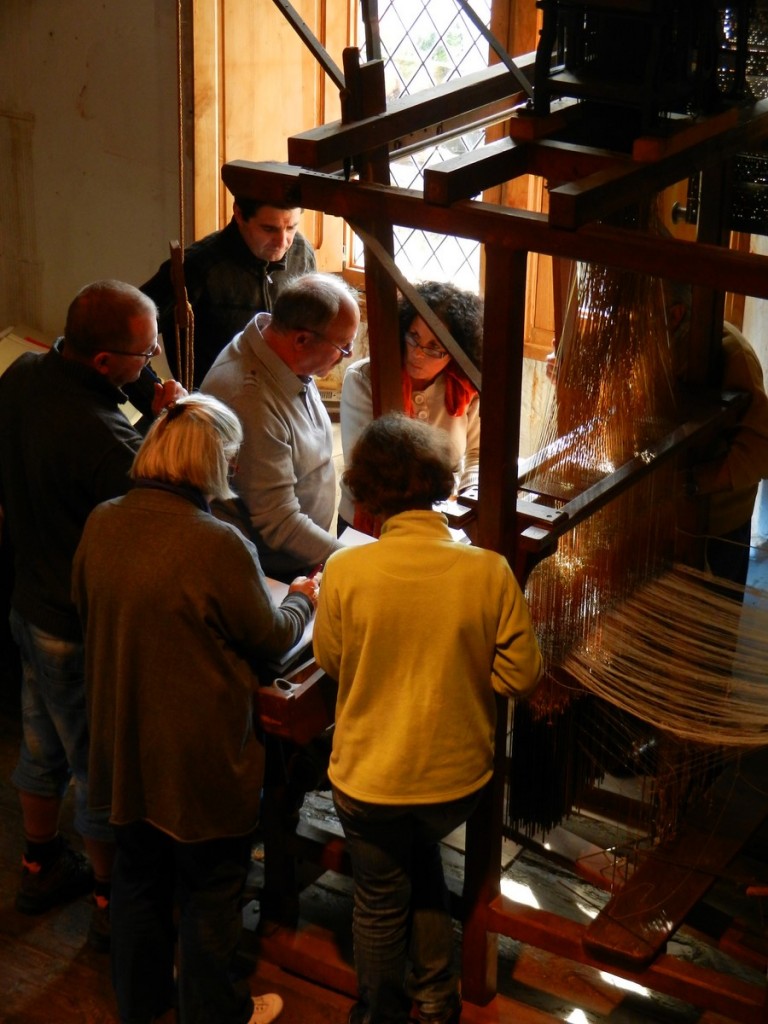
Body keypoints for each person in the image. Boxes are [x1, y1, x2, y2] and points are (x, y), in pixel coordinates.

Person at [71, 392, 318, 1024]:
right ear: (212, 462)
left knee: (137, 881)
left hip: (124, 742)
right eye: (230, 457)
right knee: (212, 890)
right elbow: (272, 637)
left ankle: (143, 1006)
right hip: (199, 755)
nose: (233, 470)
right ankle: (214, 1014)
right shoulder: (218, 543)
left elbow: (86, 606)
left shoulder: (102, 520)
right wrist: (300, 597)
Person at [313, 413, 543, 1024]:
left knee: (380, 896)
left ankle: (379, 1014)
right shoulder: (488, 571)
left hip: (369, 780)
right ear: (440, 482)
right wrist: (464, 669)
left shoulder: (344, 570)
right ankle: (439, 1000)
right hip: (455, 783)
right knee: (421, 859)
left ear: (366, 492)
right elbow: (521, 676)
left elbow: (332, 663)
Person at [0, 280, 184, 950]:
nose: (156, 357)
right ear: (104, 362)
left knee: (41, 742)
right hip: (79, 626)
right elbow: (154, 509)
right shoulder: (106, 439)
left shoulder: (23, 374)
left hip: (26, 599)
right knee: (98, 769)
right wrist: (170, 421)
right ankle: (111, 903)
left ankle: (39, 866)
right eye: (145, 351)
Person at [201, 271, 360, 582]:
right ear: (301, 339)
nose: (348, 356)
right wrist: (352, 561)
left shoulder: (279, 351)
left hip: (297, 558)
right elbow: (279, 522)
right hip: (269, 573)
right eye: (343, 347)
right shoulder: (250, 402)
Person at [338, 281, 482, 534]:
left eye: (434, 347)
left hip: (442, 524)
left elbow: (476, 453)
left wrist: (469, 497)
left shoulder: (465, 386)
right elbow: (363, 467)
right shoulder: (365, 379)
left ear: (455, 351)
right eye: (414, 338)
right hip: (373, 520)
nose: (418, 354)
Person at [141, 196, 316, 386]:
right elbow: (121, 342)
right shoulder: (196, 266)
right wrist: (155, 398)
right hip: (215, 403)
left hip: (281, 396)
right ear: (239, 215)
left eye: (291, 227)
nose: (283, 242)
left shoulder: (301, 252)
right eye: (269, 229)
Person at [666, 284, 768, 592]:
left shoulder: (731, 353)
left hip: (719, 530)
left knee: (711, 625)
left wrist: (690, 484)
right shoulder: (655, 347)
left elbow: (759, 452)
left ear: (675, 315)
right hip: (666, 522)